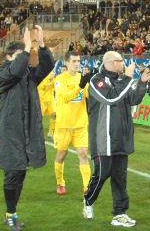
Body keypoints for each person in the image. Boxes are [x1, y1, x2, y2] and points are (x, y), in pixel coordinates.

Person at [0, 26, 54, 230]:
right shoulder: (2, 73)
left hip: (26, 132)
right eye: (21, 55)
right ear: (9, 57)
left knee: (20, 172)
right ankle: (11, 213)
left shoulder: (28, 75)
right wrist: (27, 48)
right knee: (13, 172)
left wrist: (42, 46)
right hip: (9, 132)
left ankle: (11, 212)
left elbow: (47, 66)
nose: (26, 58)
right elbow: (15, 71)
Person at [83, 51, 150, 226]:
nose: (124, 64)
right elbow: (111, 97)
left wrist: (142, 83)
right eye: (121, 61)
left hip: (122, 137)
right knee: (102, 174)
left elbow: (133, 99)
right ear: (112, 63)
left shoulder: (121, 81)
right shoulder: (96, 80)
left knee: (120, 177)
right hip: (103, 139)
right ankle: (88, 200)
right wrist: (129, 78)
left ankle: (119, 213)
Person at [53, 52, 92, 198]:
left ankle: (87, 187)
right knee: (61, 155)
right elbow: (65, 98)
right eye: (74, 61)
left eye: (79, 61)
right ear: (67, 63)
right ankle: (60, 182)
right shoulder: (59, 79)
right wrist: (80, 86)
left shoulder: (82, 78)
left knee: (83, 154)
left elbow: (89, 95)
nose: (77, 64)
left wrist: (94, 84)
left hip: (80, 124)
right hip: (63, 125)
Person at [37, 70, 56, 138]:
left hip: (50, 99)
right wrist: (49, 80)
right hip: (42, 99)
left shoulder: (52, 74)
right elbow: (40, 87)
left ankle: (51, 132)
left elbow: (55, 86)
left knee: (55, 115)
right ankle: (36, 132)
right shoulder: (41, 74)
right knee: (38, 118)